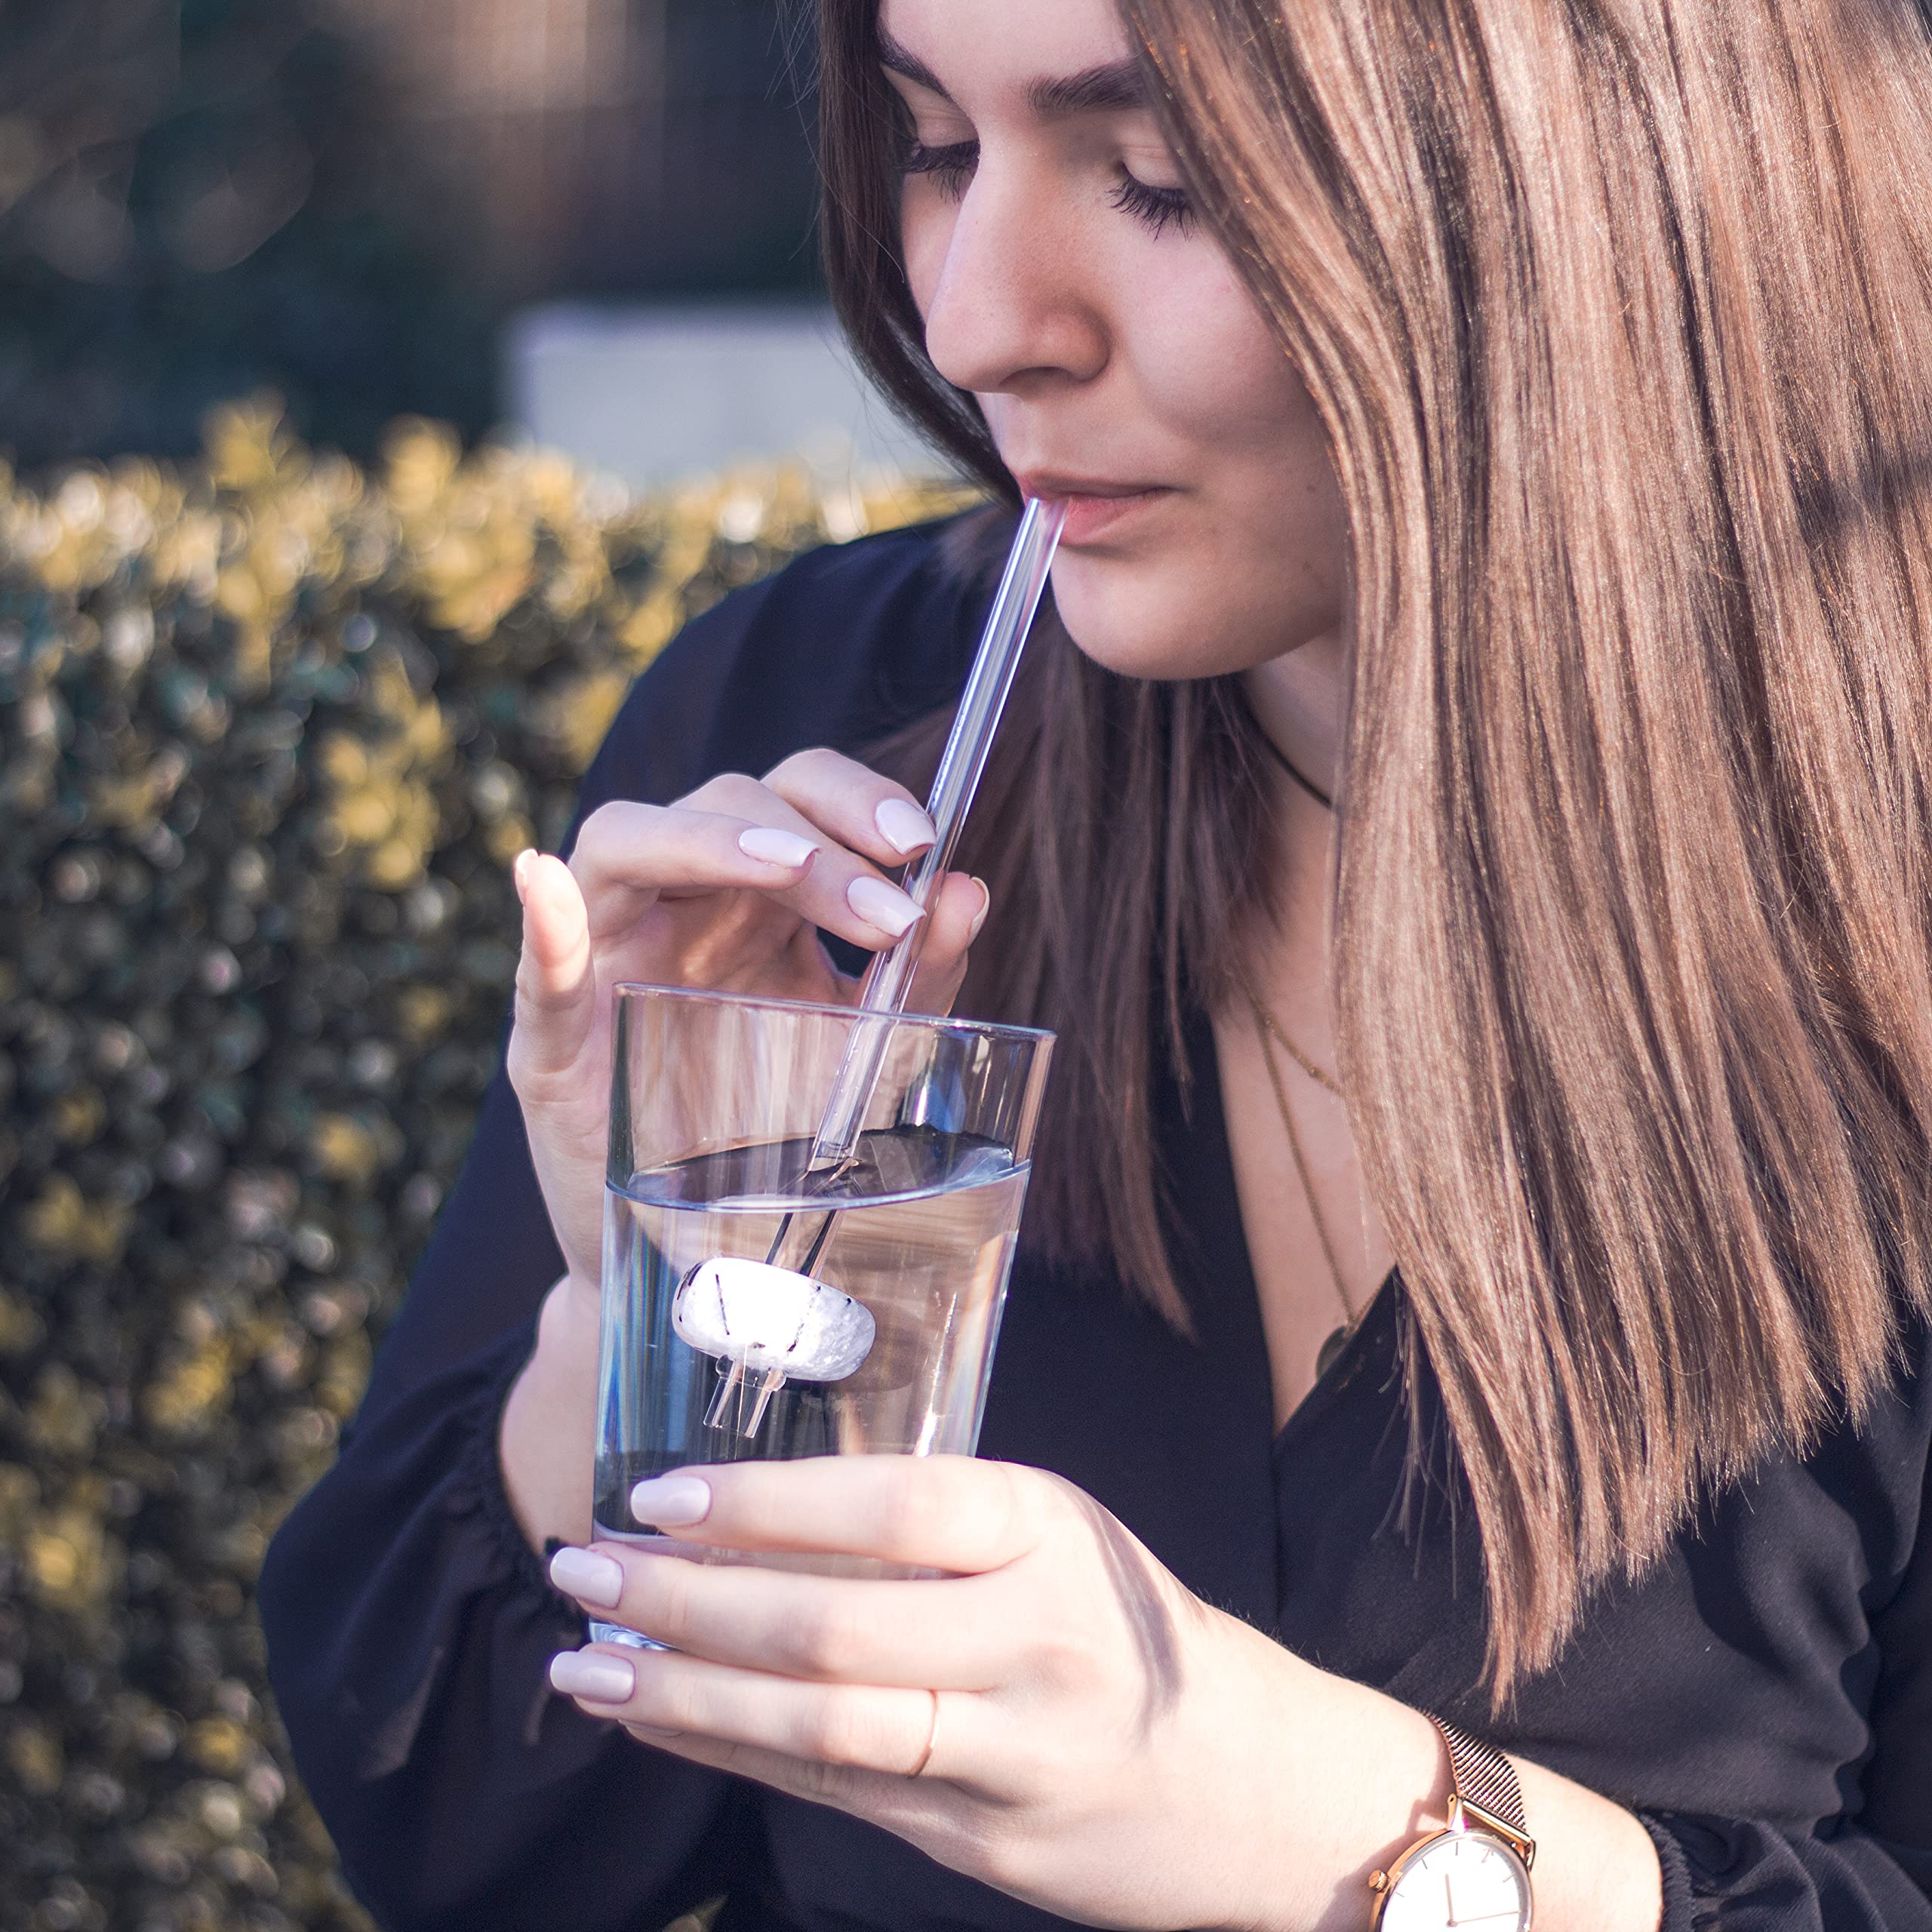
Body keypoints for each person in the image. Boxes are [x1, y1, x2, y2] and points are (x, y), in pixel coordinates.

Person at [257, 0, 1932, 1927]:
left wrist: (1353, 1832)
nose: (977, 324)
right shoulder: (825, 721)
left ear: (1608, 172)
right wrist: (660, 1298)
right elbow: (465, 1838)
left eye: (1163, 178)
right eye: (937, 148)